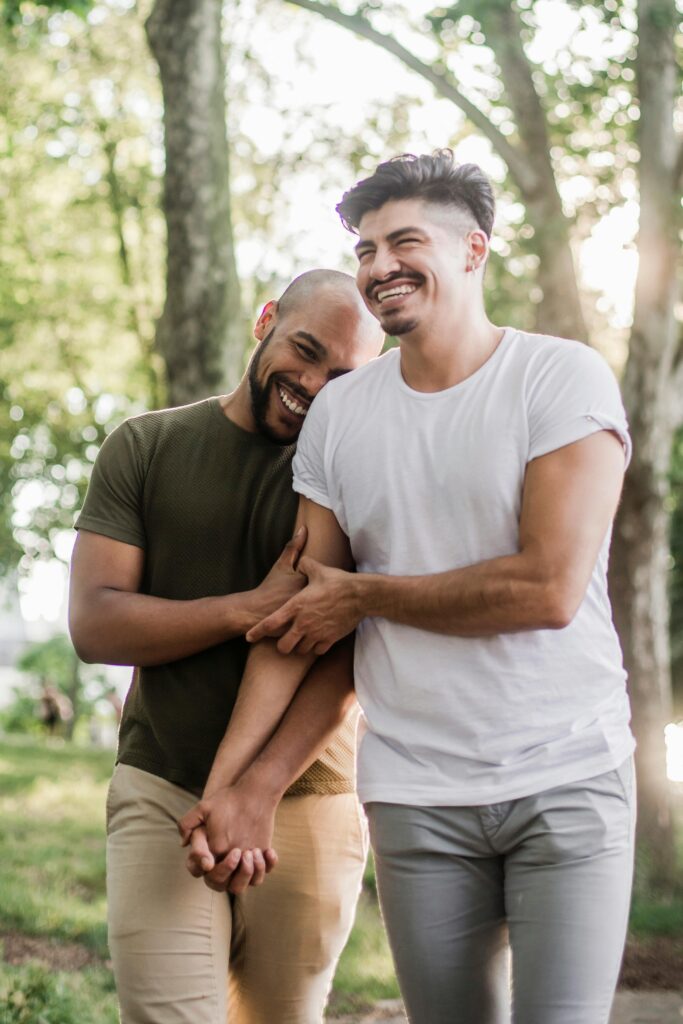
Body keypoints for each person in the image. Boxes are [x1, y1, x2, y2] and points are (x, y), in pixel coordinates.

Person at [210, 152, 635, 1024]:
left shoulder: (560, 378)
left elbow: (546, 588)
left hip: (566, 773)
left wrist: (367, 596)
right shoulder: (341, 414)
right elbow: (303, 613)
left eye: (403, 242)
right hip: (413, 793)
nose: (377, 267)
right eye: (364, 250)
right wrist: (231, 787)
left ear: (473, 251)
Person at [68, 268, 384, 1024]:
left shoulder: (361, 477)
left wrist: (255, 792)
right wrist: (248, 608)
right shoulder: (145, 446)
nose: (311, 384)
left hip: (305, 797)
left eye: (342, 378)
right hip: (161, 786)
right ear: (264, 319)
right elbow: (96, 625)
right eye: (303, 350)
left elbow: (350, 650)